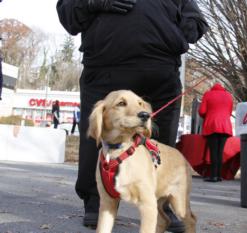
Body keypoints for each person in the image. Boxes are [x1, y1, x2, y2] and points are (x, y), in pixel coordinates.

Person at [56, 0, 208, 230]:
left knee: (162, 141)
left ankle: (162, 205)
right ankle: (96, 202)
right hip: (105, 66)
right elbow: (68, 14)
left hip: (160, 69)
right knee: (97, 133)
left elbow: (196, 19)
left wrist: (184, 28)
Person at [198, 83, 233, 182]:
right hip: (225, 126)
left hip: (212, 125)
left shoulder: (208, 94)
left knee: (213, 152)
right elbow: (230, 112)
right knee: (220, 152)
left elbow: (202, 111)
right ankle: (218, 176)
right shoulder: (228, 95)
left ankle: (213, 176)